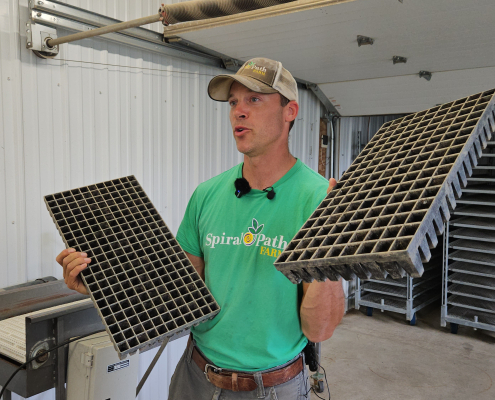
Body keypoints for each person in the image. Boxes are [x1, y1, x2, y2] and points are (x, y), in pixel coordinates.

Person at [57, 57, 345, 400]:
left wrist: (329, 237)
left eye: (254, 99)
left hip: (273, 388)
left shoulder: (318, 200)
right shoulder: (207, 194)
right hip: (195, 378)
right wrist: (104, 284)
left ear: (290, 111)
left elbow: (320, 328)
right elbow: (177, 292)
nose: (238, 111)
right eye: (233, 102)